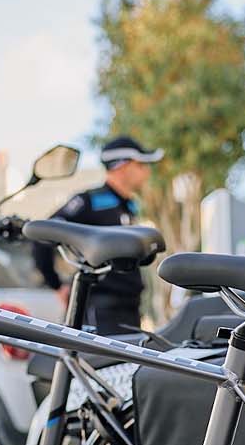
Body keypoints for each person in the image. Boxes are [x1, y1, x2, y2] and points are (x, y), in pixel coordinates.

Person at [32, 135, 160, 336]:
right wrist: (56, 285)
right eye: (141, 165)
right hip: (101, 311)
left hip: (129, 310)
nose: (147, 171)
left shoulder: (127, 206)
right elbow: (42, 235)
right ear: (123, 166)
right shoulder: (90, 201)